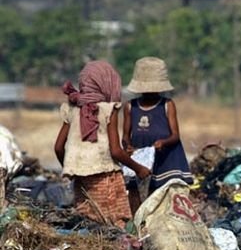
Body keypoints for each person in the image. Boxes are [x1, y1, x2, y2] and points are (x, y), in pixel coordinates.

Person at [54, 60, 150, 228]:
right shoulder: (108, 109)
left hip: (81, 180)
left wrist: (73, 168)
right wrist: (139, 169)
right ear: (106, 83)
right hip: (106, 178)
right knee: (116, 224)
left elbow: (58, 147)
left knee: (89, 222)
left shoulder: (72, 108)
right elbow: (116, 151)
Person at [122, 57, 193, 213]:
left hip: (165, 160)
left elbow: (175, 135)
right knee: (137, 200)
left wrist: (163, 142)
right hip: (141, 160)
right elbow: (125, 136)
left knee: (165, 202)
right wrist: (127, 147)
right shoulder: (130, 106)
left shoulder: (167, 105)